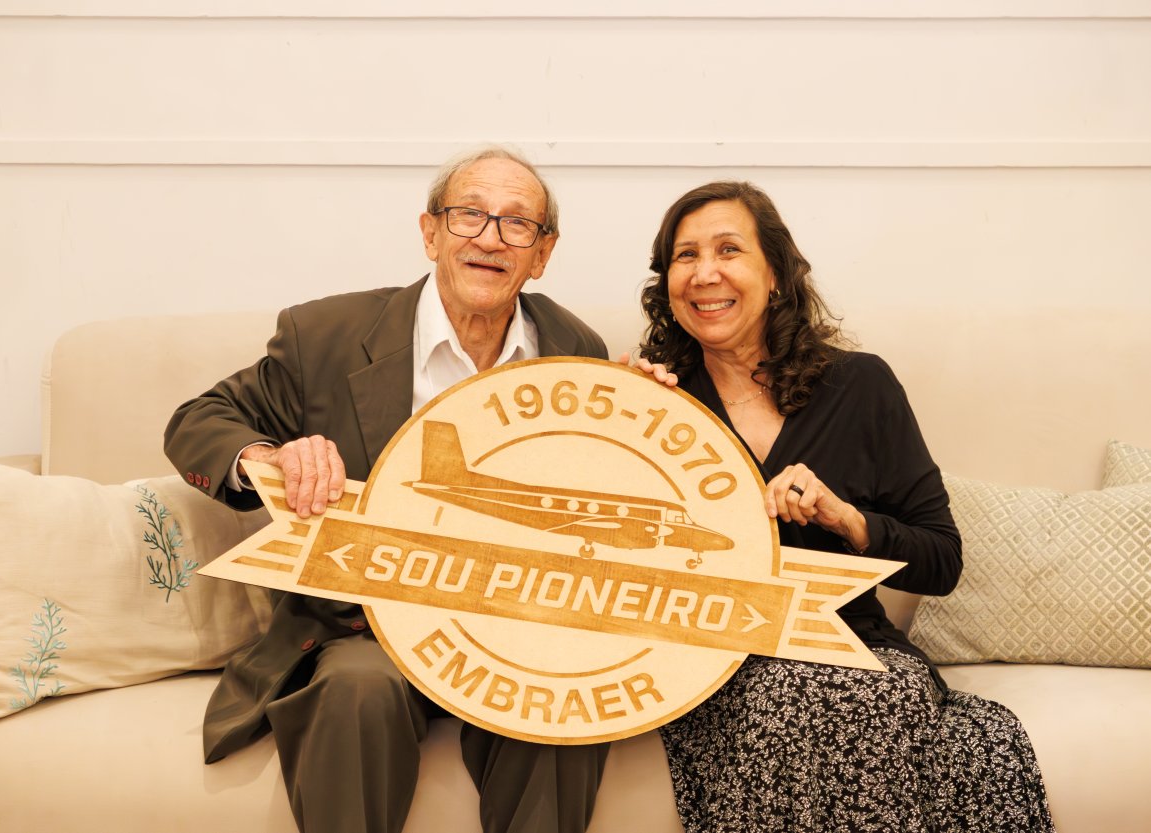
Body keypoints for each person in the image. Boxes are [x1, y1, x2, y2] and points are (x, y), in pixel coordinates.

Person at [164, 146, 610, 833]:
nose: (491, 237)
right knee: (358, 688)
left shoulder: (578, 351)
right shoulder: (325, 336)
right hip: (366, 627)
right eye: (469, 214)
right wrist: (271, 456)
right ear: (430, 233)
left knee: (560, 711)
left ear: (542, 254)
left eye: (518, 223)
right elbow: (198, 422)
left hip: (512, 630)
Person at [629, 181, 1054, 832]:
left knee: (899, 707)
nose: (705, 272)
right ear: (668, 285)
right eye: (686, 256)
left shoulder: (861, 386)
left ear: (775, 273)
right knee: (793, 701)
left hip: (855, 645)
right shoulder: (653, 403)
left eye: (728, 249)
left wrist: (847, 518)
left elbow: (942, 560)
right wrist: (620, 429)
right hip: (716, 663)